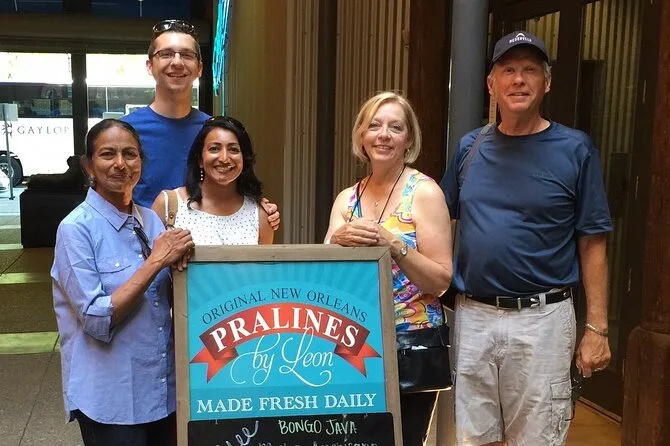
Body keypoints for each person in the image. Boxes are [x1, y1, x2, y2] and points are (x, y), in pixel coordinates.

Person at [441, 31, 612, 445]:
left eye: (530, 70)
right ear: (491, 84)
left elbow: (593, 242)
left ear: (546, 82)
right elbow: (438, 220)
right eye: (509, 70)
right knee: (472, 437)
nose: (519, 79)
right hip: (473, 317)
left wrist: (598, 328)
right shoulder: (470, 148)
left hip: (543, 320)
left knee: (537, 438)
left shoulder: (575, 149)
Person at [51, 119, 195, 446]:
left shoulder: (151, 220)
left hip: (162, 390)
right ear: (89, 166)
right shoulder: (75, 229)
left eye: (130, 154)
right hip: (110, 399)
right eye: (107, 154)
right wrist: (156, 261)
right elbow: (96, 319)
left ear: (141, 162)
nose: (120, 164)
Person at [325, 91, 453, 446]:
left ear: (408, 139)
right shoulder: (346, 199)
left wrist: (393, 244)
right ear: (361, 135)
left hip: (411, 345)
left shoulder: (424, 192)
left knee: (404, 439)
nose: (384, 135)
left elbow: (441, 281)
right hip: (353, 344)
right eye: (375, 126)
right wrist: (336, 242)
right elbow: (325, 276)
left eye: (395, 127)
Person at [123, 19, 280, 231]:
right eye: (166, 54)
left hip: (204, 244)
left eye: (187, 55)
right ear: (150, 66)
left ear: (199, 68)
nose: (177, 62)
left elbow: (236, 189)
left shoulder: (215, 133)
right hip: (140, 244)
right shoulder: (126, 132)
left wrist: (259, 209)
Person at [152, 116, 273, 245]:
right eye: (214, 149)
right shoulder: (167, 204)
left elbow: (264, 259)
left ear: (244, 159)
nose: (224, 159)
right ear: (200, 159)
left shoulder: (260, 214)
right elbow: (152, 256)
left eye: (233, 150)